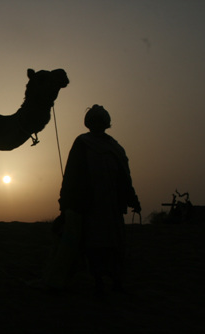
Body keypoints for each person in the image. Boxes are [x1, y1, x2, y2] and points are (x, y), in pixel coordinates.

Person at [51, 104, 141, 298]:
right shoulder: (83, 143)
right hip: (91, 205)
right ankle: (99, 282)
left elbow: (124, 177)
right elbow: (72, 175)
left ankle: (116, 282)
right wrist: (65, 203)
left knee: (115, 245)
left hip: (112, 206)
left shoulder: (115, 148)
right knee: (95, 245)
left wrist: (131, 198)